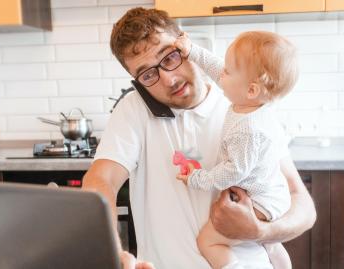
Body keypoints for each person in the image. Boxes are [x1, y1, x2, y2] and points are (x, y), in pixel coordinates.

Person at [81, 7, 316, 269]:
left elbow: (302, 204)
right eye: (148, 74)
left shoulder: (246, 106)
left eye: (170, 57)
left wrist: (259, 231)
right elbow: (100, 180)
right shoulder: (134, 109)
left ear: (184, 43)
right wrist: (112, 252)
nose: (168, 79)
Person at [174, 31, 297, 269]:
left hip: (261, 201)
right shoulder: (251, 102)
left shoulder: (247, 129)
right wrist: (192, 51)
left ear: (251, 89)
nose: (221, 74)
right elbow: (216, 68)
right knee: (269, 243)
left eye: (228, 71)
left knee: (208, 241)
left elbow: (233, 172)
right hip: (272, 192)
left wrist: (198, 178)